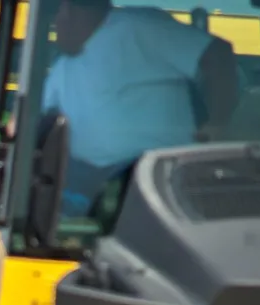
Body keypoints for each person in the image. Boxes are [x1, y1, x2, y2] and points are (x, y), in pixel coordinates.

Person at [43, 0, 239, 209]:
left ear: (68, 10)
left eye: (53, 15)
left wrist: (218, 124)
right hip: (85, 187)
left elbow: (216, 54)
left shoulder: (137, 28)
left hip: (154, 181)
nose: (53, 26)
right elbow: (33, 123)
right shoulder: (62, 67)